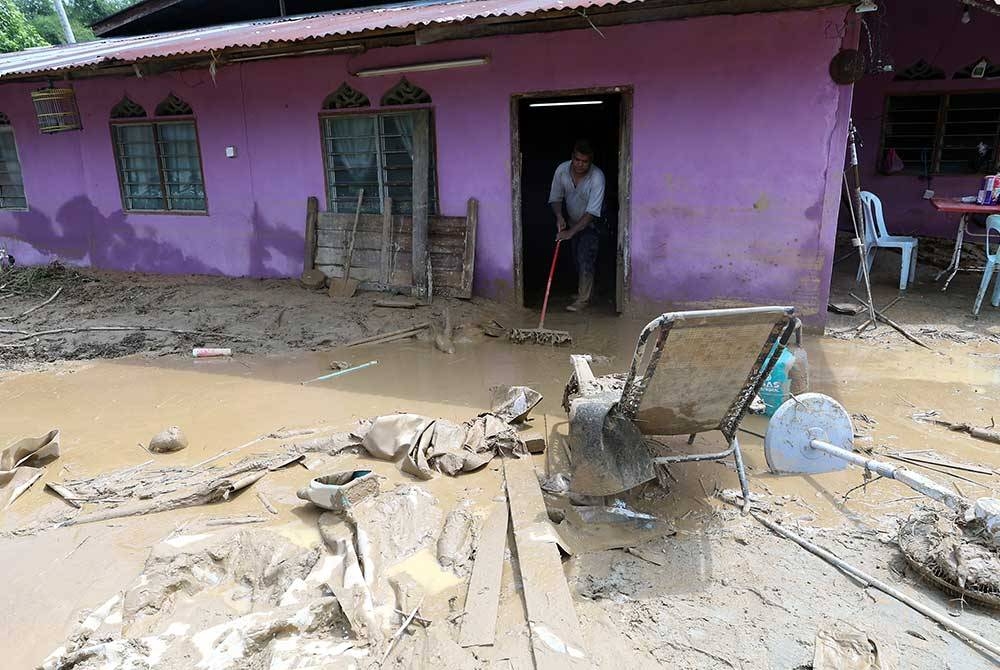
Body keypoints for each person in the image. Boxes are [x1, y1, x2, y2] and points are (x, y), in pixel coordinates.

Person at [548, 139, 605, 312]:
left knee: (585, 259)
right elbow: (555, 198)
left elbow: (592, 213)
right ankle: (586, 292)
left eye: (585, 161)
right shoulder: (561, 171)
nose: (580, 164)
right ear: (572, 158)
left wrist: (570, 232)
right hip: (572, 221)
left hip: (592, 224)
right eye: (577, 160)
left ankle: (584, 300)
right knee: (576, 259)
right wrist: (559, 216)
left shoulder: (597, 177)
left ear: (591, 160)